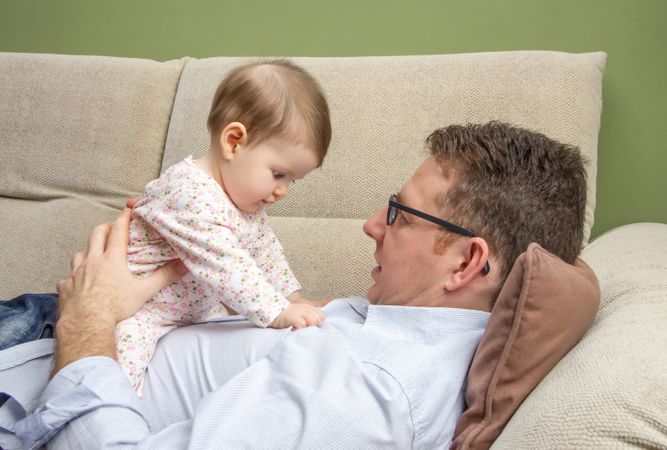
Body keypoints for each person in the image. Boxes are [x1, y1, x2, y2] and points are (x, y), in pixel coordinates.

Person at [0, 121, 587, 449]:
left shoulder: (371, 390)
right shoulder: (392, 328)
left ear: (465, 263)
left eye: (399, 214)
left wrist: (89, 323)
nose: (370, 225)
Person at [117, 59, 332, 392]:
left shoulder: (242, 204)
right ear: (233, 141)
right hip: (141, 312)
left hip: (195, 315)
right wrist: (276, 310)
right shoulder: (188, 191)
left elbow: (266, 253)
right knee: (121, 369)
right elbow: (227, 266)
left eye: (292, 180)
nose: (282, 191)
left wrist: (295, 299)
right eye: (278, 174)